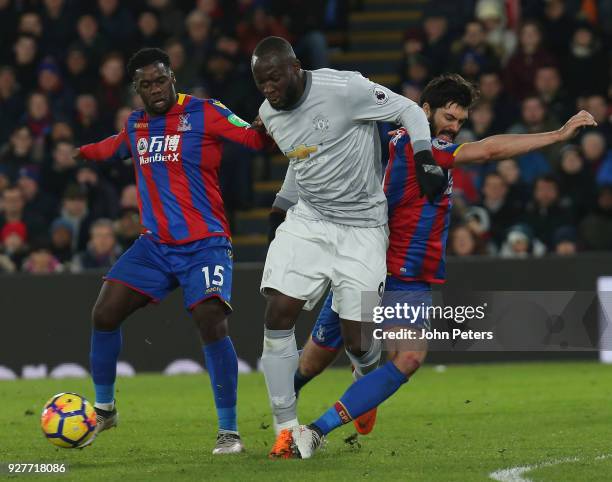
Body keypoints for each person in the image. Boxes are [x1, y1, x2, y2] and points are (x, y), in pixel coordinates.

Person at [271, 74, 596, 459]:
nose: (453, 127)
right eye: (447, 116)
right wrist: (556, 136)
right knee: (316, 357)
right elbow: (489, 151)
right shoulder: (415, 143)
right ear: (423, 111)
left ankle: (314, 430)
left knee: (407, 357)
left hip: (406, 275)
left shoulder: (419, 144)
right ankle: (284, 422)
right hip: (374, 266)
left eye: (459, 121)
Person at [74, 47, 270, 454]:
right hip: (156, 246)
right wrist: (82, 153)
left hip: (206, 243)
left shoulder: (206, 111)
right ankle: (106, 410)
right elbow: (114, 145)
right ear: (137, 89)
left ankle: (229, 431)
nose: (155, 89)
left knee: (210, 319)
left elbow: (252, 138)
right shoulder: (137, 124)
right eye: (146, 84)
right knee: (104, 313)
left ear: (172, 78)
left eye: (160, 80)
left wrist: (268, 120)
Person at [250, 36, 439, 457]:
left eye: (274, 78)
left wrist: (424, 154)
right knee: (278, 312)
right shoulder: (269, 113)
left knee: (357, 341)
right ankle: (286, 427)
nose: (268, 89)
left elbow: (408, 109)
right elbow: (303, 159)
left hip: (363, 228)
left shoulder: (345, 88)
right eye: (261, 82)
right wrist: (281, 206)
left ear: (295, 67)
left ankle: (364, 383)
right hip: (311, 223)